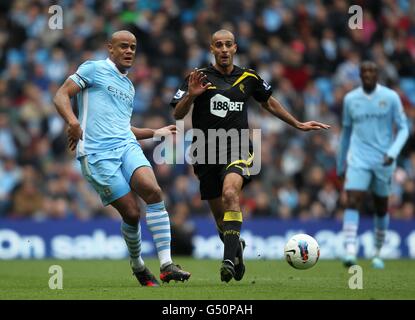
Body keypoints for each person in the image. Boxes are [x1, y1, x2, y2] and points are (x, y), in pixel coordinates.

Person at [170, 29, 330, 282]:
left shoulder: (249, 77)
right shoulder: (197, 78)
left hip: (238, 147)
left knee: (231, 193)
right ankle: (236, 250)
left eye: (228, 45)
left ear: (235, 48)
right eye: (218, 45)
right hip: (205, 152)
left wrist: (297, 123)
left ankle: (227, 260)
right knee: (222, 222)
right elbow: (178, 115)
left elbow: (268, 102)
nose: (224, 49)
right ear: (211, 49)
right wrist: (191, 95)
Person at [53, 30, 191, 287]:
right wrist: (72, 122)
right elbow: (60, 95)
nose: (129, 51)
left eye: (133, 47)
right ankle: (138, 264)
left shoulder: (128, 85)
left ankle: (166, 264)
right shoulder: (92, 69)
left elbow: (122, 127)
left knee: (153, 190)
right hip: (96, 154)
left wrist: (155, 132)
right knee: (131, 212)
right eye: (124, 46)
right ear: (111, 48)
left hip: (126, 145)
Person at [336, 61, 409, 269]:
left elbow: (404, 129)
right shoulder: (351, 99)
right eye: (364, 72)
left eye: (372, 72)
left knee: (381, 207)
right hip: (358, 159)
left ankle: (377, 252)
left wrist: (393, 153)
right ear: (360, 75)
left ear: (378, 75)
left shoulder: (391, 97)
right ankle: (349, 250)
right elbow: (346, 134)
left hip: (383, 160)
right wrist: (341, 165)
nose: (368, 75)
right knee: (352, 199)